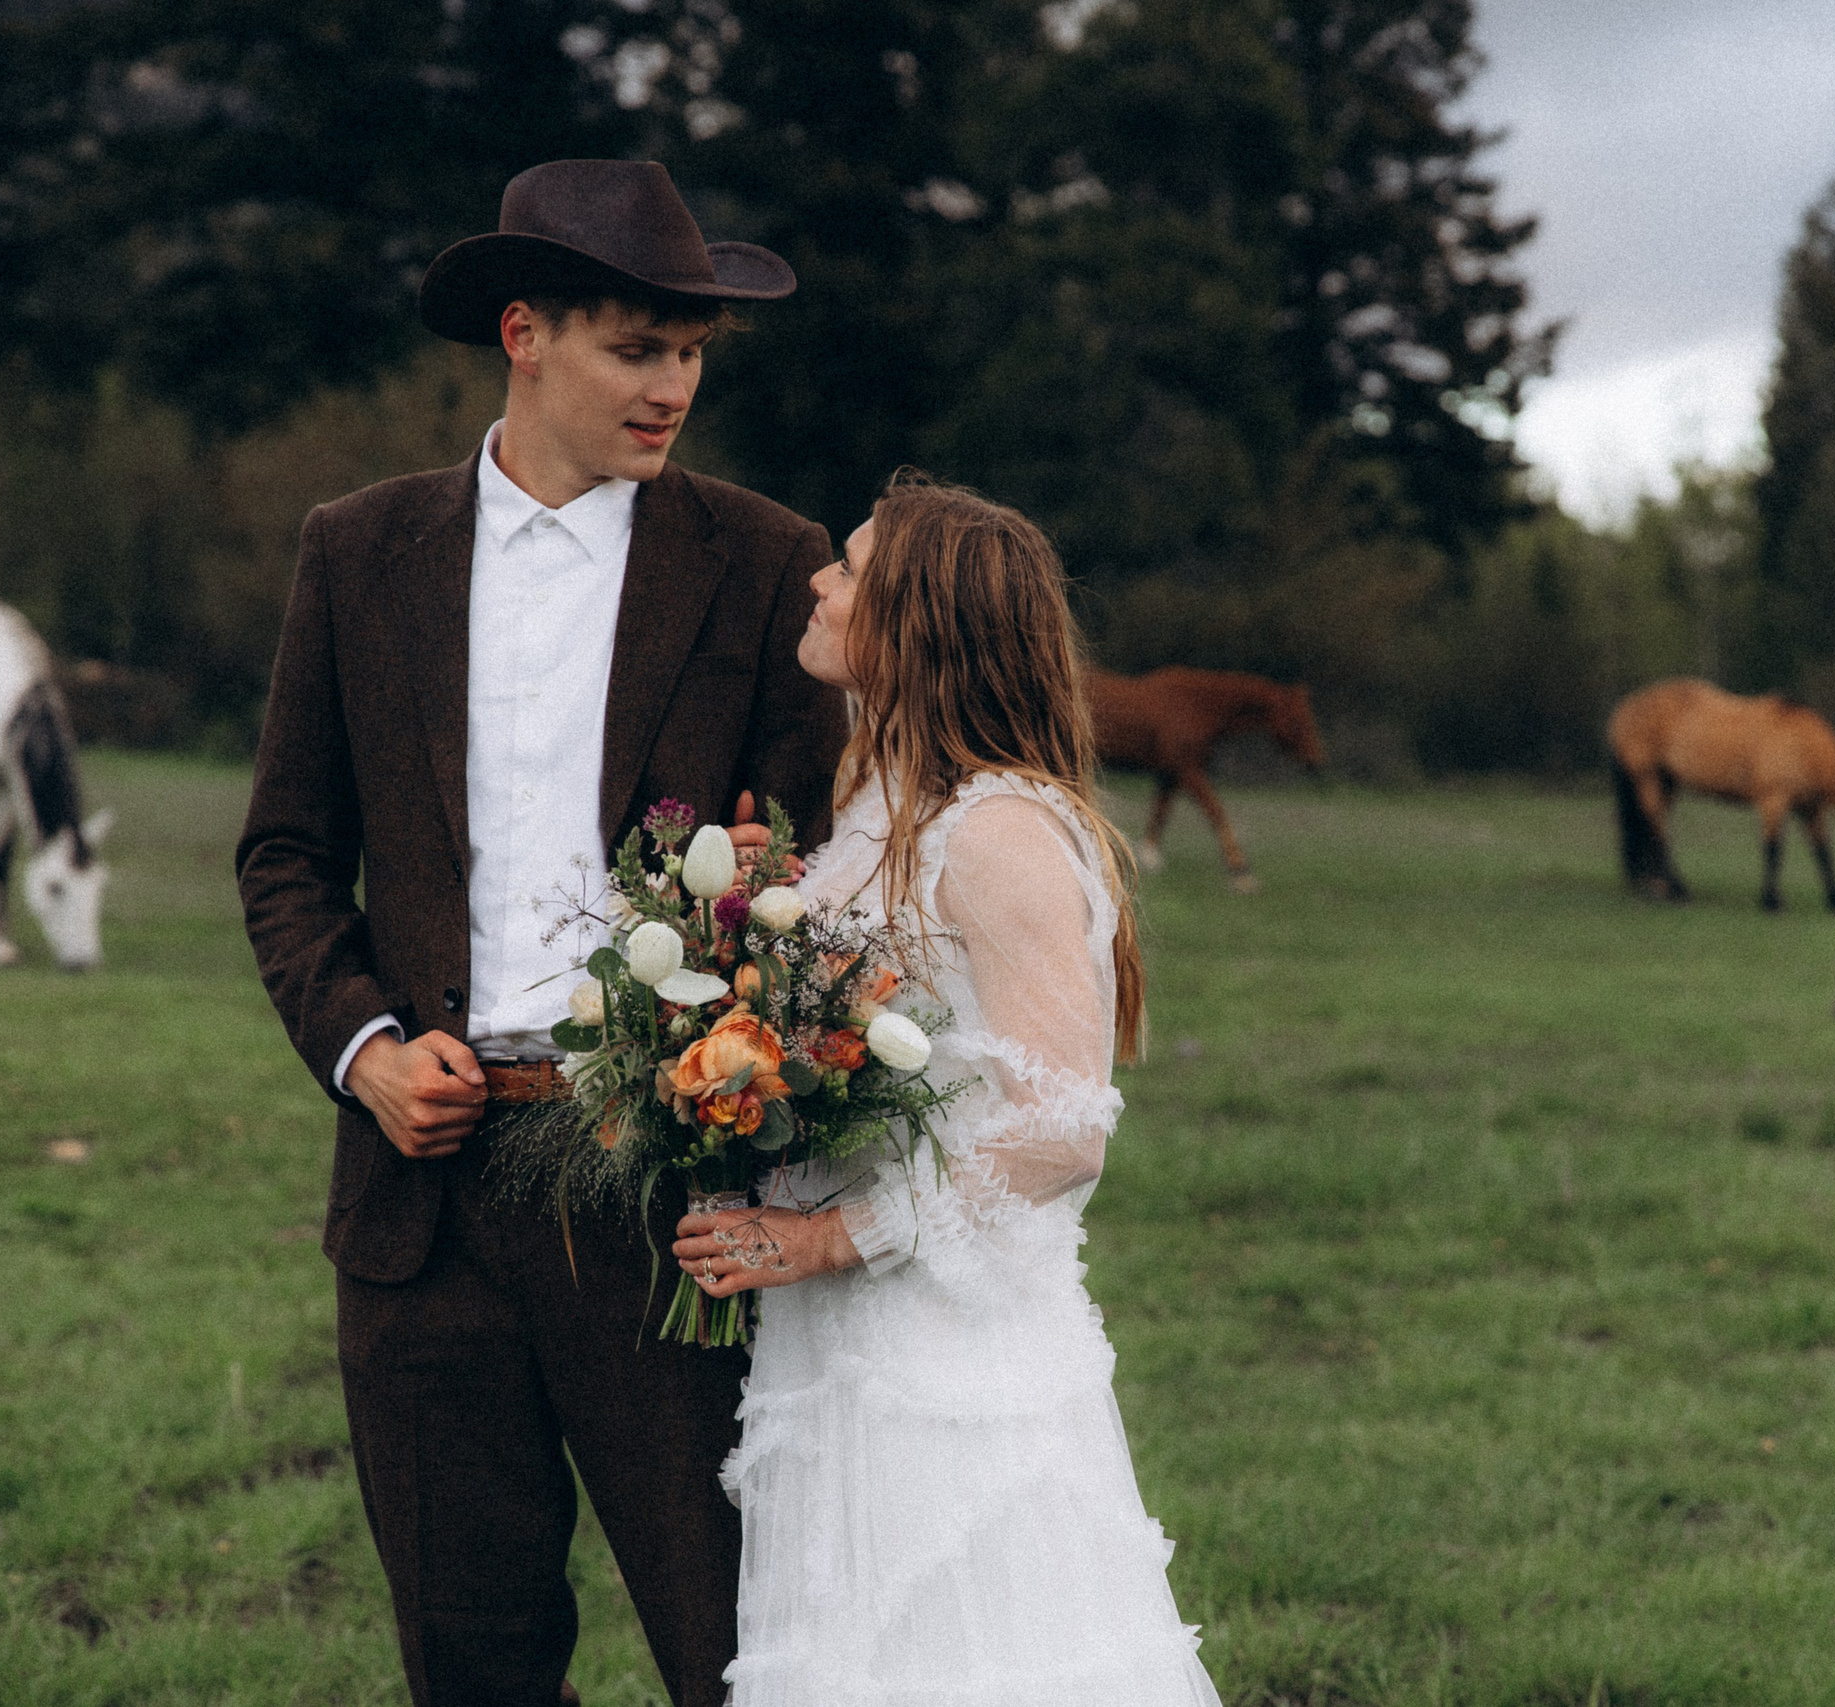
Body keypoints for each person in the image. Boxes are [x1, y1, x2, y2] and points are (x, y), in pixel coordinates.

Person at [236, 159, 847, 1706]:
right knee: (473, 1661)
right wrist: (366, 1049)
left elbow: (830, 871)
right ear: (523, 334)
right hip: (420, 1202)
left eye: (691, 352)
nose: (673, 386)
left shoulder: (768, 560)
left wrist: (763, 910)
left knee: (740, 1652)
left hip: (668, 1200)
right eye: (636, 349)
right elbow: (288, 852)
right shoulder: (358, 549)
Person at [671, 476, 1224, 1705]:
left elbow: (1060, 1130)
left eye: (850, 569)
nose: (818, 581)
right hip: (836, 1341)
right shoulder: (874, 806)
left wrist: (834, 1237)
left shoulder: (999, 831)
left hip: (949, 1355)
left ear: (917, 621)